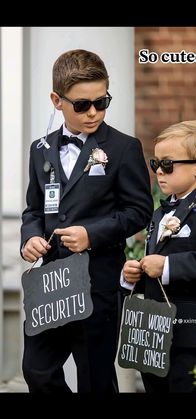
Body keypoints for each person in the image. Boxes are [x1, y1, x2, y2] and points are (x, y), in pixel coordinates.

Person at [21, 49, 153, 393]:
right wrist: (29, 238)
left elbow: (140, 210)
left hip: (98, 283)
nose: (94, 112)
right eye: (82, 105)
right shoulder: (40, 149)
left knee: (95, 378)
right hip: (51, 283)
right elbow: (34, 210)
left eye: (102, 101)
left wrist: (91, 235)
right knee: (37, 369)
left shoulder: (124, 148)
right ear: (57, 100)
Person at [123, 120, 196, 393]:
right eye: (156, 164)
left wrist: (167, 265)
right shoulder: (160, 214)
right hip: (153, 332)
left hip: (192, 333)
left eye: (168, 164)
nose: (159, 172)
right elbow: (157, 267)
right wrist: (134, 276)